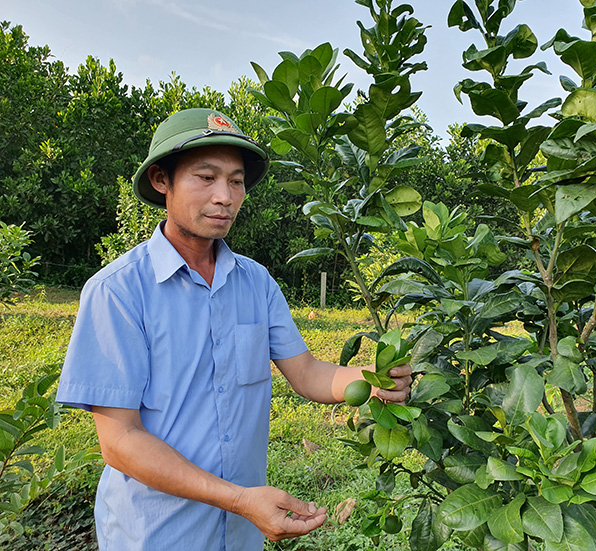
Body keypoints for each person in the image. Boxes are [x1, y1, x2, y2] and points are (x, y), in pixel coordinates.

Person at [56, 108, 412, 551]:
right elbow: (121, 442)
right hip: (155, 535)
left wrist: (378, 381)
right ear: (161, 180)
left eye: (236, 180)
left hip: (241, 535)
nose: (225, 196)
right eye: (206, 177)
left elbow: (307, 372)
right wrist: (241, 500)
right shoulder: (118, 292)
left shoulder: (255, 282)